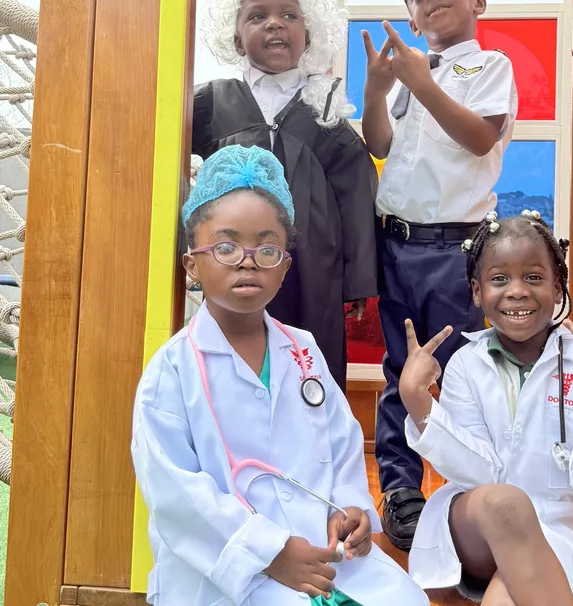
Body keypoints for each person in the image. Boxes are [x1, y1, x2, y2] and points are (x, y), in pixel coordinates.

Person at [131, 145, 427, 606]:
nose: (247, 261)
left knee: (405, 599)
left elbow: (342, 445)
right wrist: (268, 553)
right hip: (228, 566)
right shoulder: (172, 371)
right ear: (192, 264)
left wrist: (350, 508)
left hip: (321, 545)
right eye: (226, 246)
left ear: (285, 266)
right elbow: (175, 495)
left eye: (266, 248)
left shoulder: (304, 351)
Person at [360, 0, 518, 548]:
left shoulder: (489, 66)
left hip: (455, 251)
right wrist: (378, 91)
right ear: (410, 14)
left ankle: (470, 495)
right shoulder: (407, 82)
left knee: (461, 372)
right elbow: (380, 147)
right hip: (395, 245)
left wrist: (421, 81)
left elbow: (479, 138)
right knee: (401, 367)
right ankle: (400, 489)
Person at [398, 210, 573, 606]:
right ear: (476, 291)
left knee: (507, 596)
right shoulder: (466, 364)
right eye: (499, 279)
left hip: (565, 530)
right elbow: (478, 474)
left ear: (559, 289)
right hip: (479, 528)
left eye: (534, 277)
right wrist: (420, 405)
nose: (517, 291)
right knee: (505, 503)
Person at [193, 0, 378, 390]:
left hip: (314, 263)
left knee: (310, 360)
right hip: (235, 258)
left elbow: (355, 191)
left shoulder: (325, 106)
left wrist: (357, 282)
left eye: (289, 16)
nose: (274, 23)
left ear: (309, 34)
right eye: (257, 16)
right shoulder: (211, 102)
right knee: (232, 355)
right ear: (237, 38)